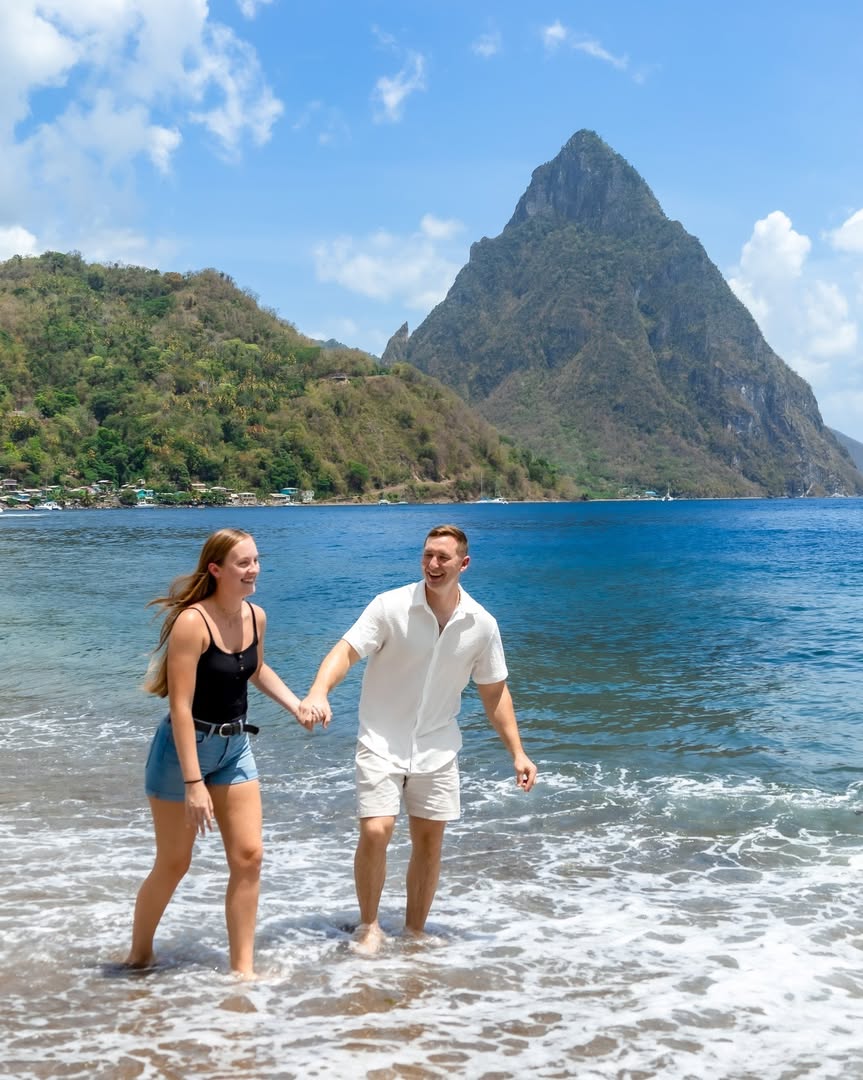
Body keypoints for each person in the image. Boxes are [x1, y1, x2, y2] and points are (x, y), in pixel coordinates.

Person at [300, 524, 537, 954]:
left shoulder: (481, 625)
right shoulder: (390, 606)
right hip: (380, 740)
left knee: (430, 843)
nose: (432, 564)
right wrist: (319, 690)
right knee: (377, 830)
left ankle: (414, 931)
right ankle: (369, 926)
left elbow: (494, 692)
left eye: (443, 558)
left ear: (463, 564)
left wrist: (517, 753)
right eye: (427, 555)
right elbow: (346, 651)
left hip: (438, 748)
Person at [125, 528, 314, 977]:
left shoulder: (256, 617)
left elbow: (255, 668)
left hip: (235, 747)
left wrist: (296, 705)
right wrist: (193, 783)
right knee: (174, 863)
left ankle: (242, 972)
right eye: (243, 563)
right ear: (216, 569)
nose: (254, 570)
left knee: (249, 856)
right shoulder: (193, 622)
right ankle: (139, 953)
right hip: (182, 751)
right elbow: (180, 706)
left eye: (256, 560)